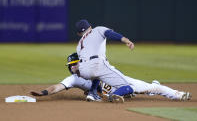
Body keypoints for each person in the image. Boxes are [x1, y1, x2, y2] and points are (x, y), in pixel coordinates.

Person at [30, 52, 191, 102]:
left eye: (74, 64)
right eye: (70, 66)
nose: (72, 67)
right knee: (134, 92)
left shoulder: (96, 67)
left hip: (123, 82)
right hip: (115, 92)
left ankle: (179, 94)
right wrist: (43, 93)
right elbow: (57, 87)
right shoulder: (75, 79)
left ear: (81, 62)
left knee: (150, 88)